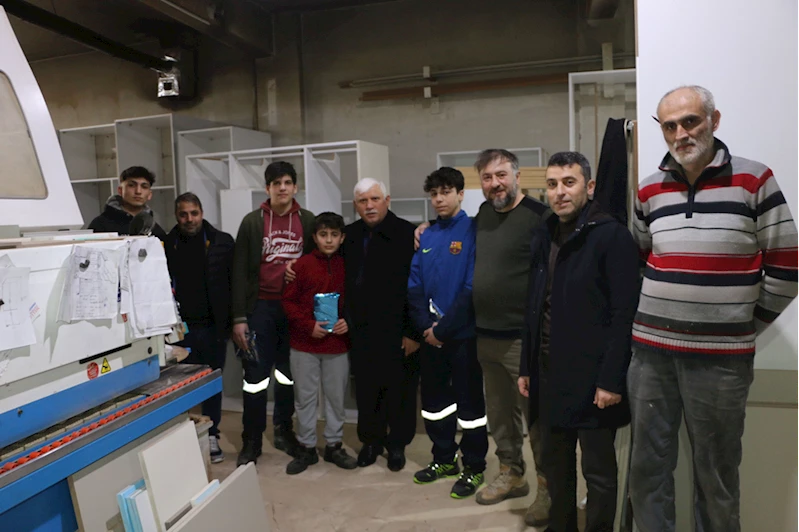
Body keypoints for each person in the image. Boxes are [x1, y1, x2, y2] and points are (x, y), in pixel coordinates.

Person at [629, 85, 799, 532]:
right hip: (650, 356)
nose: (680, 134)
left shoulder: (754, 180)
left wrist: (741, 324)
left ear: (714, 120)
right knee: (646, 471)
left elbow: (788, 266)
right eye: (670, 126)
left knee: (716, 478)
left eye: (690, 121)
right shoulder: (647, 189)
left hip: (721, 363)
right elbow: (638, 260)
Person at [416, 149, 551, 525]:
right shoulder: (483, 218)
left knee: (537, 420)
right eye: (487, 178)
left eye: (501, 175)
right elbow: (452, 235)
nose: (495, 183)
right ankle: (512, 474)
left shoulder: (540, 217)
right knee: (501, 416)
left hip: (523, 339)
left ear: (517, 176)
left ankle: (548, 488)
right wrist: (424, 227)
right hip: (485, 335)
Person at [518, 152, 639, 532]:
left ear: (589, 186)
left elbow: (624, 314)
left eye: (569, 183)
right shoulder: (545, 232)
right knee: (556, 466)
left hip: (593, 379)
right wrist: (526, 366)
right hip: (548, 373)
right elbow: (535, 303)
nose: (559, 192)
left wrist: (611, 380)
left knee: (598, 471)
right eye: (552, 184)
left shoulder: (611, 235)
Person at [407, 167, 488, 499]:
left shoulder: (473, 230)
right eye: (434, 194)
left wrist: (444, 328)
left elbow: (471, 287)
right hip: (430, 337)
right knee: (435, 404)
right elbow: (414, 285)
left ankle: (474, 467)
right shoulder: (426, 235)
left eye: (446, 192)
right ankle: (444, 460)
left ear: (460, 194)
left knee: (470, 408)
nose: (439, 199)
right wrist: (425, 327)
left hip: (462, 336)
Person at [231, 161, 315, 466]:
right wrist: (239, 318)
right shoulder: (252, 222)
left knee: (288, 375)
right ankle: (251, 440)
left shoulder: (308, 220)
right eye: (276, 183)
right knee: (255, 378)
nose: (282, 188)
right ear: (267, 188)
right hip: (260, 309)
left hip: (293, 309)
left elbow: (317, 264)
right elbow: (239, 272)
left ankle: (283, 430)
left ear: (295, 187)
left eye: (287, 182)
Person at [344, 178, 421, 471]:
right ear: (356, 205)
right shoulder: (349, 235)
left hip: (399, 329)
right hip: (361, 330)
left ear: (387, 200)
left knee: (400, 391)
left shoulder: (407, 233)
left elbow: (418, 286)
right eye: (363, 201)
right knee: (367, 390)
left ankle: (397, 444)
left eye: (375, 199)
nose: (369, 206)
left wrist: (412, 332)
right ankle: (371, 442)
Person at [281, 212, 358, 474]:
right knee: (305, 398)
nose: (329, 240)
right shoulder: (301, 266)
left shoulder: (348, 265)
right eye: (323, 235)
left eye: (334, 235)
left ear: (342, 237)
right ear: (314, 237)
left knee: (336, 398)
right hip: (304, 345)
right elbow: (288, 302)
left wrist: (348, 322)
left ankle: (334, 445)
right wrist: (307, 326)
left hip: (337, 345)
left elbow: (357, 301)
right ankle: (307, 447)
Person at [165, 192, 234, 463]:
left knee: (212, 384)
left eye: (194, 213)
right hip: (180, 331)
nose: (189, 219)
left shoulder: (222, 242)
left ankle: (211, 433)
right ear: (176, 216)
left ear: (202, 213)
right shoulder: (166, 245)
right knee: (177, 386)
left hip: (214, 328)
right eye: (183, 214)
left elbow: (234, 283)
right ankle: (179, 437)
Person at [88, 166, 167, 240]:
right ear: (120, 190)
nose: (138, 191)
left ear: (149, 194)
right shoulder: (100, 225)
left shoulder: (155, 230)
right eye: (131, 185)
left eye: (144, 187)